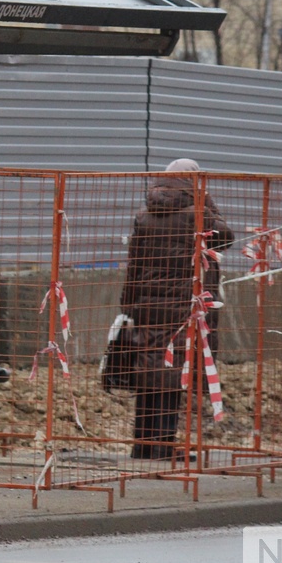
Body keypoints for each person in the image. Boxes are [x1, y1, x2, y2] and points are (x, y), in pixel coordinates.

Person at [119, 158, 233, 460]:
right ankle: (165, 446)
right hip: (184, 306)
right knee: (172, 373)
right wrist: (206, 200)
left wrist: (128, 304)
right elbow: (227, 238)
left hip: (146, 305)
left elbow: (134, 262)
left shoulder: (144, 215)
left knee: (148, 371)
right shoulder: (199, 214)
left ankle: (142, 446)